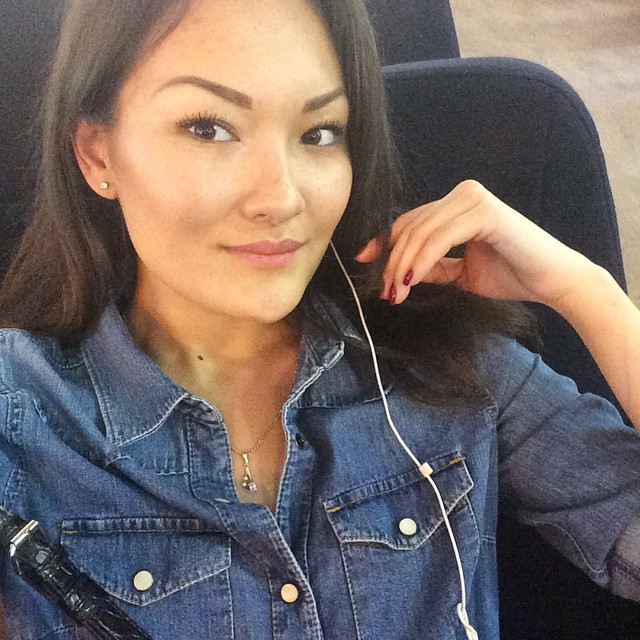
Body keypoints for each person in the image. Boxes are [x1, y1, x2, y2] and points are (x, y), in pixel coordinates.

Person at [1, 0, 639, 638]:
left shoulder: (448, 362)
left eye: (319, 133)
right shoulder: (22, 413)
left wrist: (584, 289)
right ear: (98, 155)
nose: (280, 197)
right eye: (208, 128)